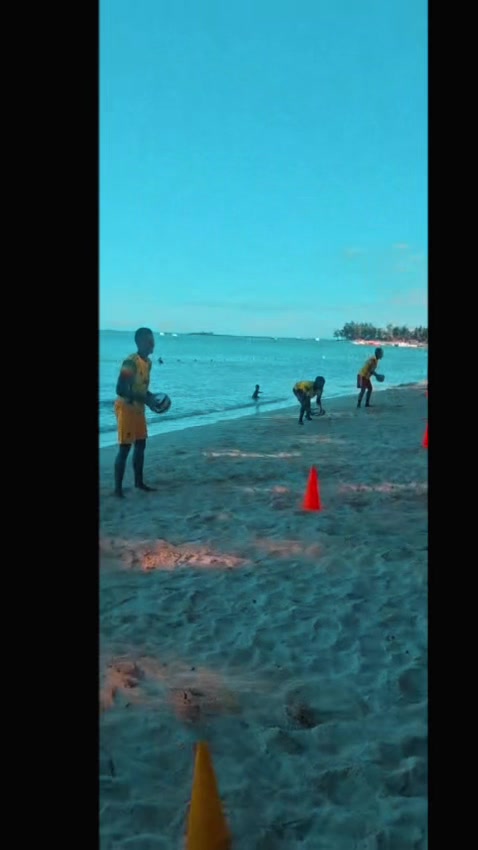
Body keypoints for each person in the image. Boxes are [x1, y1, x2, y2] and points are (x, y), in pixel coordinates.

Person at [113, 327, 162, 498]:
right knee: (125, 448)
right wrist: (145, 399)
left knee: (141, 445)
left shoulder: (148, 363)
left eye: (153, 341)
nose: (152, 344)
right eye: (149, 341)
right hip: (126, 408)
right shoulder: (130, 362)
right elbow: (120, 389)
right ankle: (118, 490)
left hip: (138, 409)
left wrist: (151, 398)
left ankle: (139, 482)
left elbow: (141, 388)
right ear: (140, 342)